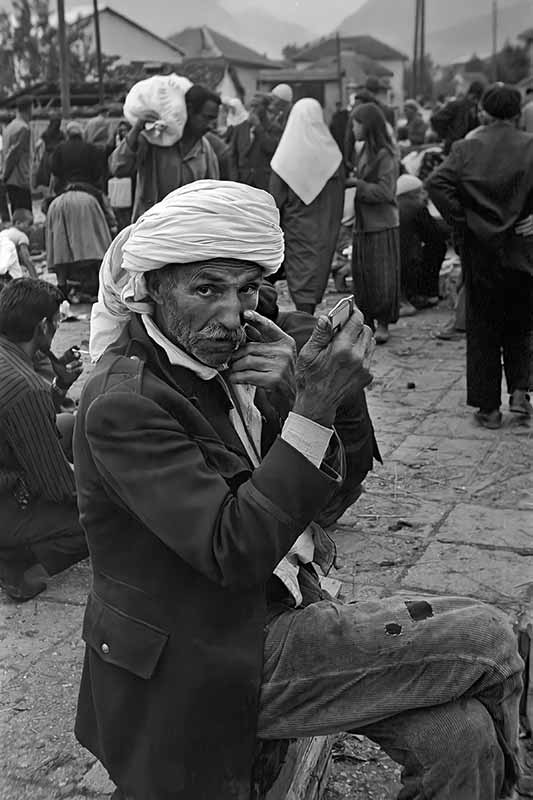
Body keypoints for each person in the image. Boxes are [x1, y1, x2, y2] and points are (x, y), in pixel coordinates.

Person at [76, 180, 523, 800]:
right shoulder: (125, 402)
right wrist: (315, 405)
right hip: (202, 652)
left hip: (277, 609)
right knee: (491, 636)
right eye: (207, 288)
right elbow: (235, 551)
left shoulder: (230, 364)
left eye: (247, 289)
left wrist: (295, 395)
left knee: (461, 735)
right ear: (150, 287)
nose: (232, 315)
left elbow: (327, 503)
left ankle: (506, 758)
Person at [428, 83, 533, 427]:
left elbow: (436, 183)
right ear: (518, 112)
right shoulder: (530, 146)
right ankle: (520, 392)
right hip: (522, 249)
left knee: (484, 327)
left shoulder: (466, 147)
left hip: (480, 250)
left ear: (484, 111)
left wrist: (465, 219)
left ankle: (489, 408)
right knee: (521, 323)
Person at [0, 278, 88, 601]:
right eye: (56, 320)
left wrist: (59, 388)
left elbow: (18, 422)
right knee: (102, 516)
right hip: (7, 499)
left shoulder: (11, 365)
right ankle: (19, 565)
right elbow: (57, 486)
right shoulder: (25, 385)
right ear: (43, 327)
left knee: (68, 424)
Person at [269, 98, 344, 314]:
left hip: (297, 230)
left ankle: (304, 317)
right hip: (324, 231)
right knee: (317, 271)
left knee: (300, 274)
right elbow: (337, 197)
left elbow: (276, 201)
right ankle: (307, 316)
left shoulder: (284, 158)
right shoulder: (333, 155)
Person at [109, 84, 220, 221]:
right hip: (152, 230)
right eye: (206, 118)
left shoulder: (205, 150)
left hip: (190, 231)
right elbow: (118, 167)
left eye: (213, 119)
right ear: (190, 111)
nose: (210, 126)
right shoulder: (155, 141)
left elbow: (214, 194)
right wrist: (137, 128)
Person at [47, 121, 116, 302]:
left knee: (59, 246)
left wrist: (50, 198)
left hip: (60, 201)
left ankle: (61, 286)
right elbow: (99, 176)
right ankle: (104, 284)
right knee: (100, 241)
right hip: (88, 198)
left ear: (68, 134)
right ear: (82, 134)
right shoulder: (92, 149)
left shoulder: (59, 149)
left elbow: (54, 178)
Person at [349, 103, 400, 344]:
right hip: (363, 223)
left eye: (356, 123)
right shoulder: (362, 151)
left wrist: (358, 186)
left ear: (367, 125)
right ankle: (367, 320)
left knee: (382, 277)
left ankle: (384, 323)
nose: (353, 128)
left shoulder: (385, 154)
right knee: (364, 276)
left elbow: (386, 191)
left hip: (381, 224)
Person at [397, 174, 447, 311]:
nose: (424, 195)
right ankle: (428, 293)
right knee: (438, 246)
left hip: (390, 265)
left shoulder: (393, 205)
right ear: (413, 193)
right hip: (407, 265)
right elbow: (435, 235)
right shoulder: (415, 206)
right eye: (421, 191)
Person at [227, 92, 280, 191]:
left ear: (265, 108)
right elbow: (232, 155)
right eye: (251, 106)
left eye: (256, 106)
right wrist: (234, 179)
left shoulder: (274, 129)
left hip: (263, 182)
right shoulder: (240, 128)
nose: (252, 110)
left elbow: (271, 148)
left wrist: (258, 127)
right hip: (243, 182)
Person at [431, 80, 485, 154]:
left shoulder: (476, 109)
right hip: (454, 147)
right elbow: (436, 119)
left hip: (468, 148)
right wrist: (447, 135)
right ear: (470, 95)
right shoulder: (456, 105)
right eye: (474, 98)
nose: (475, 101)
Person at [3, 95, 33, 213]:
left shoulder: (8, 128)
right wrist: (5, 175)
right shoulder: (24, 129)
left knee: (16, 216)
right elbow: (14, 154)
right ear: (29, 108)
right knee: (25, 218)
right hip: (20, 180)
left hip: (11, 180)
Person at [0, 208, 38, 279]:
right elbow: (26, 259)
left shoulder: (7, 232)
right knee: (17, 276)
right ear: (18, 223)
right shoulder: (22, 236)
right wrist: (35, 278)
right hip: (6, 248)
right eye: (29, 224)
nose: (31, 228)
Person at [34, 113, 65, 191]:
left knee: (46, 178)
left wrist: (36, 156)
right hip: (57, 157)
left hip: (47, 157)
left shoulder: (46, 132)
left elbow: (37, 145)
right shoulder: (61, 134)